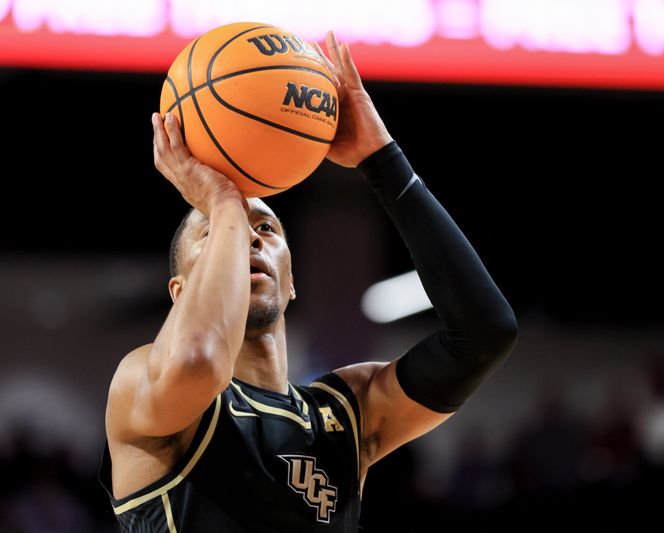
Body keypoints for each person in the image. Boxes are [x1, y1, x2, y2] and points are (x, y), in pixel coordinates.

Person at [98, 31, 518, 532]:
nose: (248, 239)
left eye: (267, 229)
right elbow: (197, 360)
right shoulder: (142, 383)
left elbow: (485, 334)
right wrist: (225, 200)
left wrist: (383, 160)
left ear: (293, 281)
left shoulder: (347, 415)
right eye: (214, 233)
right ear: (180, 291)